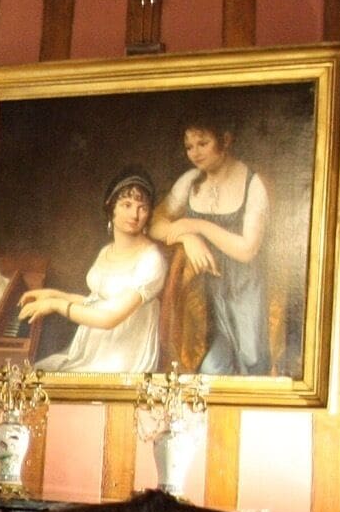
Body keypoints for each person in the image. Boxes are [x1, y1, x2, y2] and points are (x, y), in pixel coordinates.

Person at [150, 120, 269, 375]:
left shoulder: (252, 183)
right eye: (189, 146)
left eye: (203, 143)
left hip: (243, 290)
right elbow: (155, 224)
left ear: (225, 140)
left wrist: (197, 225)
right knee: (207, 368)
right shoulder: (190, 180)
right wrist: (187, 238)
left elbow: (247, 250)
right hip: (202, 294)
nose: (195, 152)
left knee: (250, 362)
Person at [21, 172, 167, 375]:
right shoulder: (106, 251)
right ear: (111, 207)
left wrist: (56, 304)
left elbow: (109, 318)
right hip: (93, 347)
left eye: (142, 208)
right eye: (126, 205)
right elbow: (99, 302)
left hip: (122, 356)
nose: (135, 215)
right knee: (34, 373)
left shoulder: (151, 259)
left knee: (41, 376)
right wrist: (55, 294)